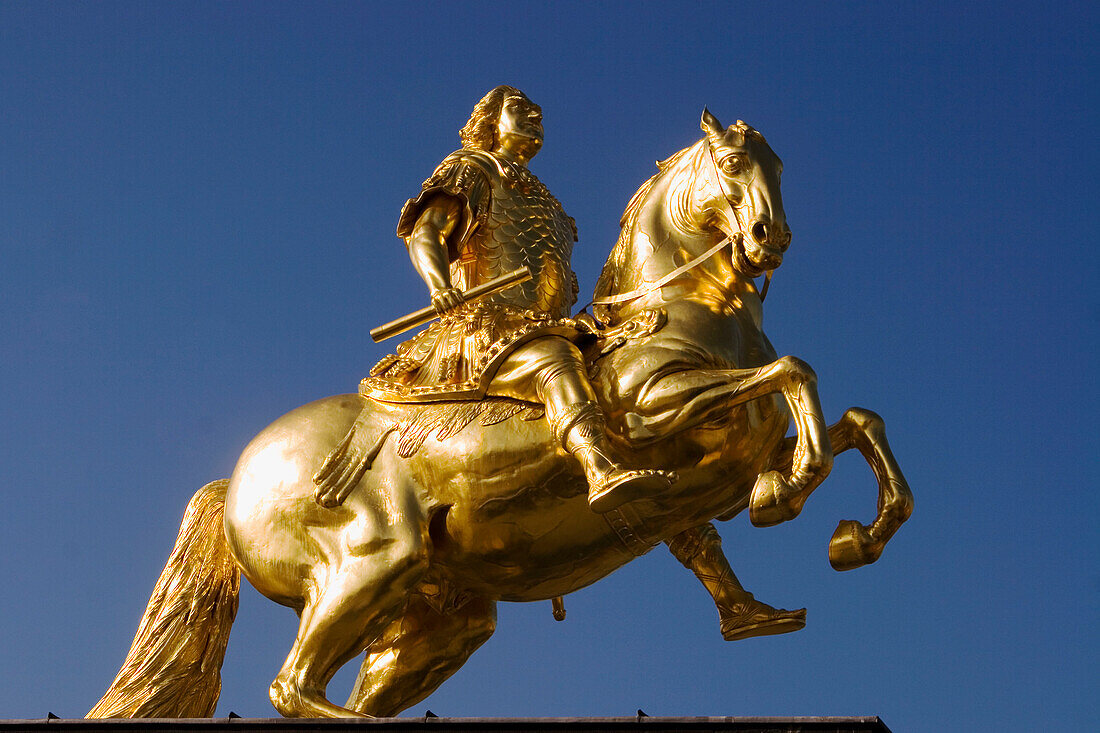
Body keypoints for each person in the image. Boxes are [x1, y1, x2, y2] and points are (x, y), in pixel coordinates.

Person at [359, 85, 674, 513]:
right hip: (484, 326)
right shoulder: (471, 168)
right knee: (554, 361)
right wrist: (441, 288)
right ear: (491, 122)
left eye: (538, 114)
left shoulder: (546, 199)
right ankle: (600, 469)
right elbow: (425, 232)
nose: (533, 119)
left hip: (545, 324)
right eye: (519, 111)